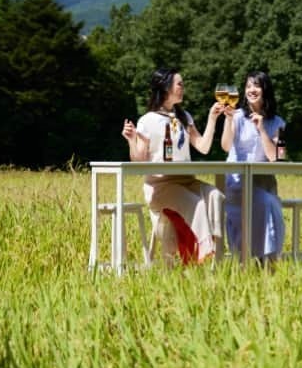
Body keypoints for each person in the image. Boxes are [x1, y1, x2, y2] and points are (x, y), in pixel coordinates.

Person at [121, 67, 226, 264]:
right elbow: (139, 160)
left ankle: (215, 247)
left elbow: (202, 147)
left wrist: (212, 118)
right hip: (161, 186)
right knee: (196, 203)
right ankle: (204, 253)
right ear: (166, 87)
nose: (183, 88)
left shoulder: (184, 117)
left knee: (216, 196)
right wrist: (131, 139)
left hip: (187, 181)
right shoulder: (148, 120)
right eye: (180, 84)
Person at [220, 70, 286, 262]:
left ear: (265, 89)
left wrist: (262, 130)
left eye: (256, 85)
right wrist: (229, 119)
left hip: (263, 182)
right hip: (237, 182)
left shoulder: (277, 122)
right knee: (267, 202)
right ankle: (264, 257)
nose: (251, 90)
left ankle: (265, 258)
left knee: (268, 200)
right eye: (248, 86)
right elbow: (225, 146)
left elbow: (278, 157)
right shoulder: (237, 116)